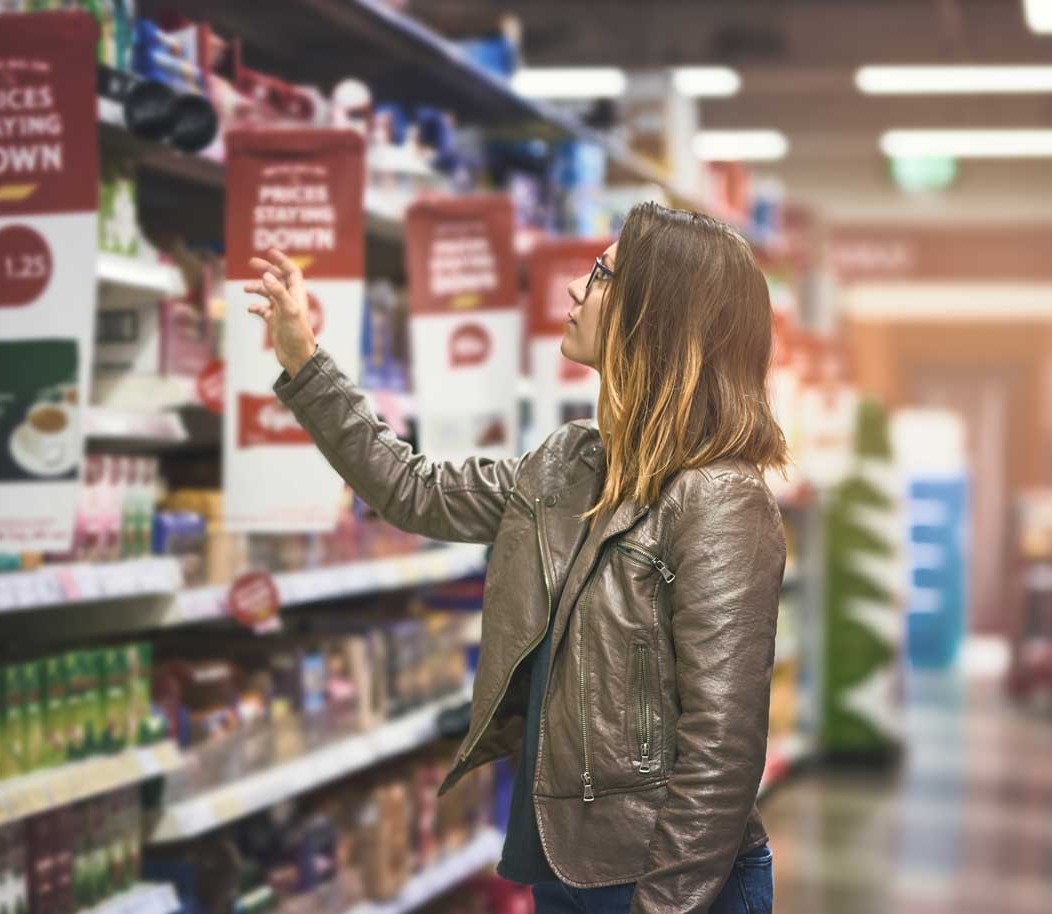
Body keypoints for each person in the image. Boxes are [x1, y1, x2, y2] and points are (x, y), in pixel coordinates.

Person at [245, 201, 787, 914]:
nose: (574, 290)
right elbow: (413, 490)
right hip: (562, 859)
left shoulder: (720, 498)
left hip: (664, 877)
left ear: (655, 313)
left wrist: (663, 903)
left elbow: (723, 749)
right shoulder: (569, 469)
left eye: (601, 275)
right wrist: (304, 363)